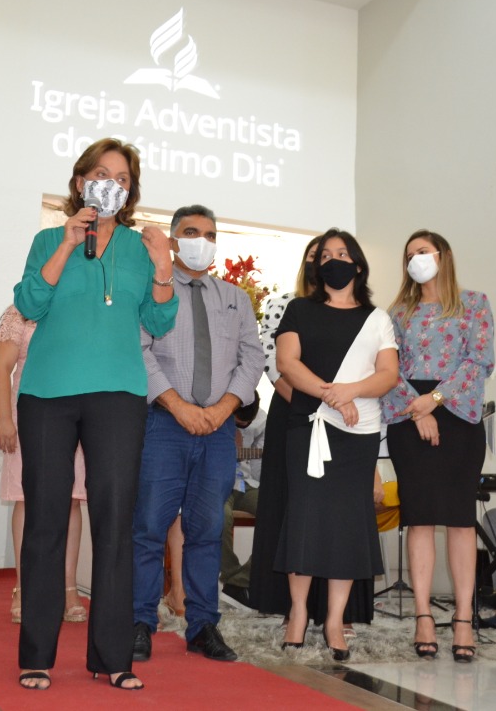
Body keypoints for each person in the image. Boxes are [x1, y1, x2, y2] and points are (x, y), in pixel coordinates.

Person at [12, 137, 177, 692]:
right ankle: (36, 653)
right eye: (101, 174)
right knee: (46, 522)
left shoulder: (137, 247)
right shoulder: (46, 239)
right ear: (81, 181)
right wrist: (65, 244)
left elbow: (158, 320)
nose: (112, 183)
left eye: (123, 178)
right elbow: (31, 304)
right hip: (48, 393)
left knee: (114, 522)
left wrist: (161, 267)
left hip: (118, 393)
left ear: (130, 192)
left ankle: (112, 657)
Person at [131, 205, 262, 664]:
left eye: (208, 234)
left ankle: (203, 625)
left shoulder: (235, 298)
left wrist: (225, 408)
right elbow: (138, 350)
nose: (200, 240)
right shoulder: (152, 292)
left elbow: (252, 358)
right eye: (190, 232)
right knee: (147, 528)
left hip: (218, 431)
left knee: (207, 530)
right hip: (164, 425)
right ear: (171, 240)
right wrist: (178, 406)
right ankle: (139, 624)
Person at [275, 229, 399, 661]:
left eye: (342, 253)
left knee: (347, 526)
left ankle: (334, 620)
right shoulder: (299, 310)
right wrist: (332, 395)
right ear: (315, 266)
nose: (333, 260)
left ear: (358, 265)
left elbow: (387, 375)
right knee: (305, 519)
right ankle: (297, 613)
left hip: (358, 433)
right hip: (310, 426)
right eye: (325, 255)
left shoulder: (377, 318)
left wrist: (351, 392)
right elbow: (287, 363)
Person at [382, 230, 495, 662]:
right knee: (421, 518)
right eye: (409, 254)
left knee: (461, 519)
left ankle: (463, 618)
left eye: (423, 252)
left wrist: (436, 400)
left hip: (460, 416)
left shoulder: (475, 303)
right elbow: (388, 369)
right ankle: (424, 616)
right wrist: (419, 409)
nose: (416, 259)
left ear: (444, 256)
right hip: (410, 416)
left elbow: (479, 360)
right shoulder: (396, 313)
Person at [0, 304, 88, 625]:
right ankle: (23, 587)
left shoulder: (81, 305)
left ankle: (69, 589)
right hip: (28, 414)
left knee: (71, 499)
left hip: (77, 413)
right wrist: (5, 420)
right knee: (26, 498)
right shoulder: (20, 312)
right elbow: (1, 367)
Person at [249, 235, 321, 616]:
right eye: (313, 256)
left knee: (327, 509)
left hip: (335, 414)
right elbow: (275, 366)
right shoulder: (280, 303)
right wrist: (314, 406)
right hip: (293, 413)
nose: (319, 264)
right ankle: (279, 601)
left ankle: (330, 604)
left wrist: (330, 408)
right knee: (284, 503)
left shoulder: (351, 311)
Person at [221, 396, 264, 606]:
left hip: (248, 484)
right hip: (219, 484)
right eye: (238, 423)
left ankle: (240, 581)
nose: (242, 427)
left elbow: (259, 471)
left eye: (246, 424)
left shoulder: (263, 422)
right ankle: (231, 577)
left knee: (277, 513)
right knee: (218, 516)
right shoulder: (216, 414)